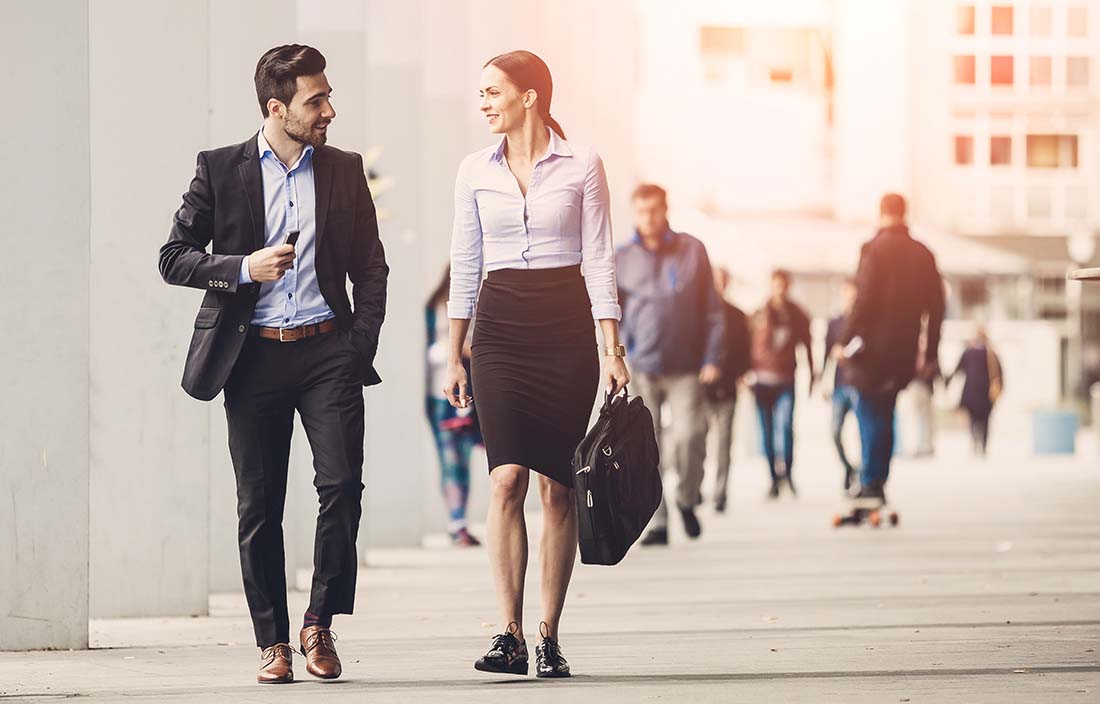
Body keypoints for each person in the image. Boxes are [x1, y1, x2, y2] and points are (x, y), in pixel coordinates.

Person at [159, 45, 388, 684]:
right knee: (259, 503)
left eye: (328, 97)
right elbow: (173, 256)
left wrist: (357, 345)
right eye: (317, 101)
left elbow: (372, 264)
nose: (329, 111)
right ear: (277, 107)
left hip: (326, 353)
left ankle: (320, 622)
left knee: (341, 486)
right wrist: (241, 269)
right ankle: (273, 641)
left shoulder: (343, 169)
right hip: (251, 356)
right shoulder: (219, 169)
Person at [446, 50, 629, 679]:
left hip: (564, 326)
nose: (484, 102)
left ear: (530, 96)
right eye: (481, 92)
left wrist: (613, 352)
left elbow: (600, 259)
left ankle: (549, 634)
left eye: (493, 90)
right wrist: (454, 354)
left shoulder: (583, 164)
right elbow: (464, 264)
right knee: (505, 479)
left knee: (556, 486)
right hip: (498, 329)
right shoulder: (474, 170)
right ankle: (508, 632)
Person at [616, 184, 725, 544]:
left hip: (687, 367)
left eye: (654, 210)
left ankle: (687, 498)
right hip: (641, 366)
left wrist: (712, 357)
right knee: (649, 448)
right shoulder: (621, 257)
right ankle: (659, 522)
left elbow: (713, 309)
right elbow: (608, 312)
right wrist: (614, 356)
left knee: (690, 435)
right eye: (641, 211)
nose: (647, 218)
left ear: (666, 210)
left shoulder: (692, 250)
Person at [839, 193, 945, 501]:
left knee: (868, 410)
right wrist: (932, 353)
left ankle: (871, 479)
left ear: (881, 212)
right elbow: (936, 308)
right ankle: (878, 479)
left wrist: (844, 340)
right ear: (904, 212)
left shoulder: (873, 249)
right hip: (904, 351)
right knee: (885, 411)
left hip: (870, 350)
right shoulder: (923, 254)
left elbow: (864, 299)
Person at [425, 266, 482, 546]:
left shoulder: (480, 302)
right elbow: (434, 351)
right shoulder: (435, 307)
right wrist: (463, 350)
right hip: (441, 398)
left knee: (463, 461)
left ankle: (459, 522)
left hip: (471, 396)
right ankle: (456, 522)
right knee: (452, 462)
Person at [750, 269, 814, 499]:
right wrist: (746, 374)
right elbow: (747, 344)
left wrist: (814, 375)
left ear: (788, 286)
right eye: (775, 284)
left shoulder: (798, 314)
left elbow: (807, 345)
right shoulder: (759, 313)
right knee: (766, 432)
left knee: (786, 427)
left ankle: (788, 474)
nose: (780, 289)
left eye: (783, 285)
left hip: (786, 379)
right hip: (760, 380)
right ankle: (773, 479)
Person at [703, 265, 751, 513]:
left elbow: (745, 350)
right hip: (699, 390)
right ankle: (695, 488)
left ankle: (720, 493)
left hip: (728, 388)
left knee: (724, 444)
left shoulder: (737, 315)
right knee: (695, 442)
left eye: (722, 280)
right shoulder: (695, 312)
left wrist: (742, 375)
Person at [822, 278, 859, 493]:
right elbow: (827, 355)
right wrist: (823, 382)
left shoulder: (865, 323)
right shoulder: (834, 323)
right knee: (834, 432)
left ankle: (864, 475)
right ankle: (849, 468)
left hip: (860, 385)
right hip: (839, 385)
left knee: (862, 434)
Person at [947, 326, 1003, 456]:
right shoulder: (992, 353)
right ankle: (983, 444)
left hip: (971, 391)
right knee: (985, 419)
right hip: (986, 393)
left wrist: (947, 382)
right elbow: (999, 374)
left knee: (973, 418)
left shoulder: (968, 352)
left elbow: (958, 369)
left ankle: (974, 441)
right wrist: (1000, 389)